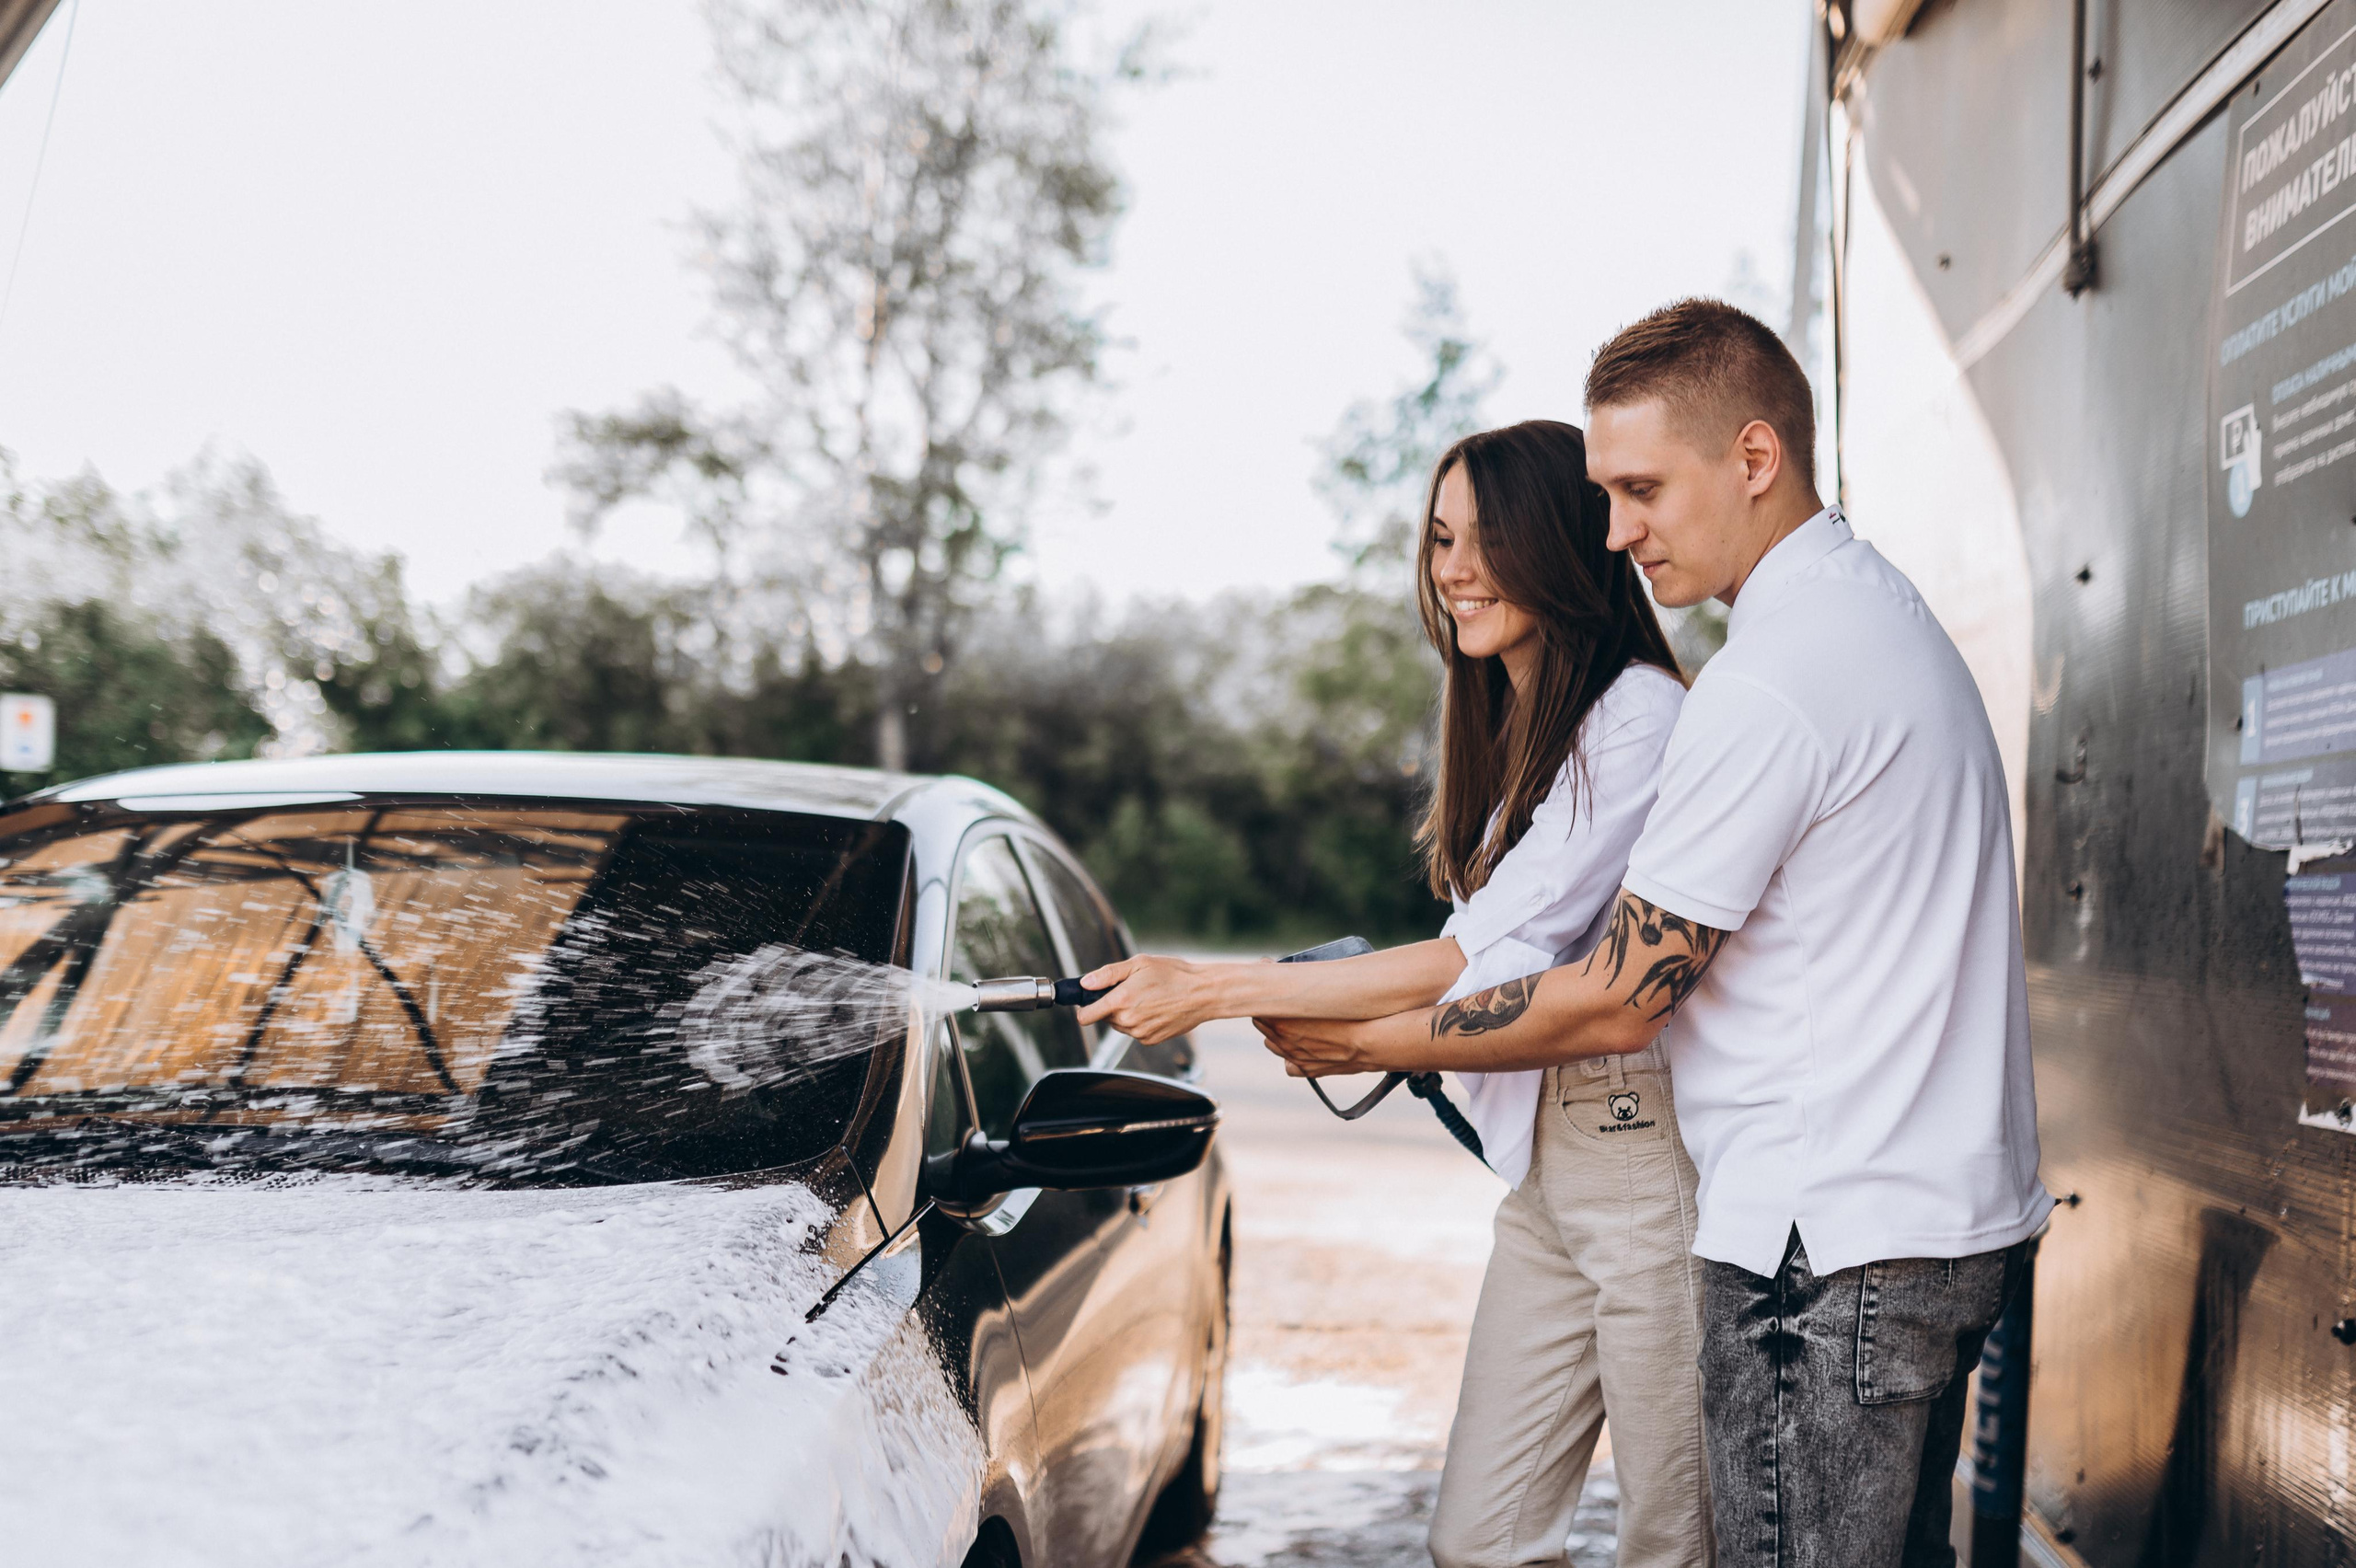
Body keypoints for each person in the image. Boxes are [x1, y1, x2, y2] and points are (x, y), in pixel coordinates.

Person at [1249, 299, 2052, 1568]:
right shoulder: (1876, 620)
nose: (1617, 532)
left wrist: (1378, 1038)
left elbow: (1622, 994)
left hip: (1825, 1255)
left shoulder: (1774, 680)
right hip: (1925, 1229)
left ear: (1751, 458)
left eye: (1639, 490)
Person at [1078, 419, 1715, 1567]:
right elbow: (1483, 949)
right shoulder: (1528, 725)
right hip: (1549, 1171)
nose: (1454, 568)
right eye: (1439, 540)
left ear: (1564, 548)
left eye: (1486, 540)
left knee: (1677, 1544)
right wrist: (1352, 1029)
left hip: (1638, 1160)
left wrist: (1212, 990)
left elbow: (1473, 960)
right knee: (1483, 1540)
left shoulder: (1638, 719)